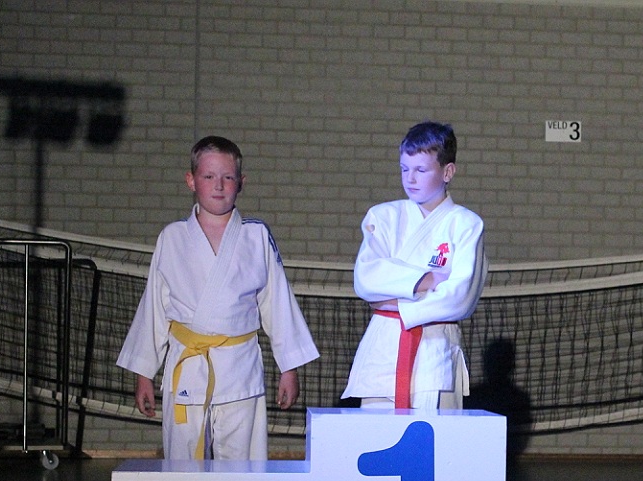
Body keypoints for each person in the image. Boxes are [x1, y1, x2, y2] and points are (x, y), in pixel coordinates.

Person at [117, 135, 319, 460]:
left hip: (240, 365)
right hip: (187, 362)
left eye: (228, 177)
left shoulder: (256, 236)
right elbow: (154, 309)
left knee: (242, 464)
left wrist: (289, 368)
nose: (219, 185)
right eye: (209, 176)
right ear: (191, 180)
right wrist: (144, 375)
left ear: (241, 182)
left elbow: (277, 303)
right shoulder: (172, 237)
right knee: (183, 460)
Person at [342, 121, 488, 411]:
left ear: (447, 172)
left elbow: (459, 298)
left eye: (421, 170)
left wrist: (396, 303)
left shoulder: (466, 224)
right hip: (382, 351)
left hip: (436, 352)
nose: (410, 179)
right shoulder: (383, 216)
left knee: (434, 437)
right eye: (404, 169)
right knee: (376, 435)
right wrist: (427, 279)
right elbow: (366, 279)